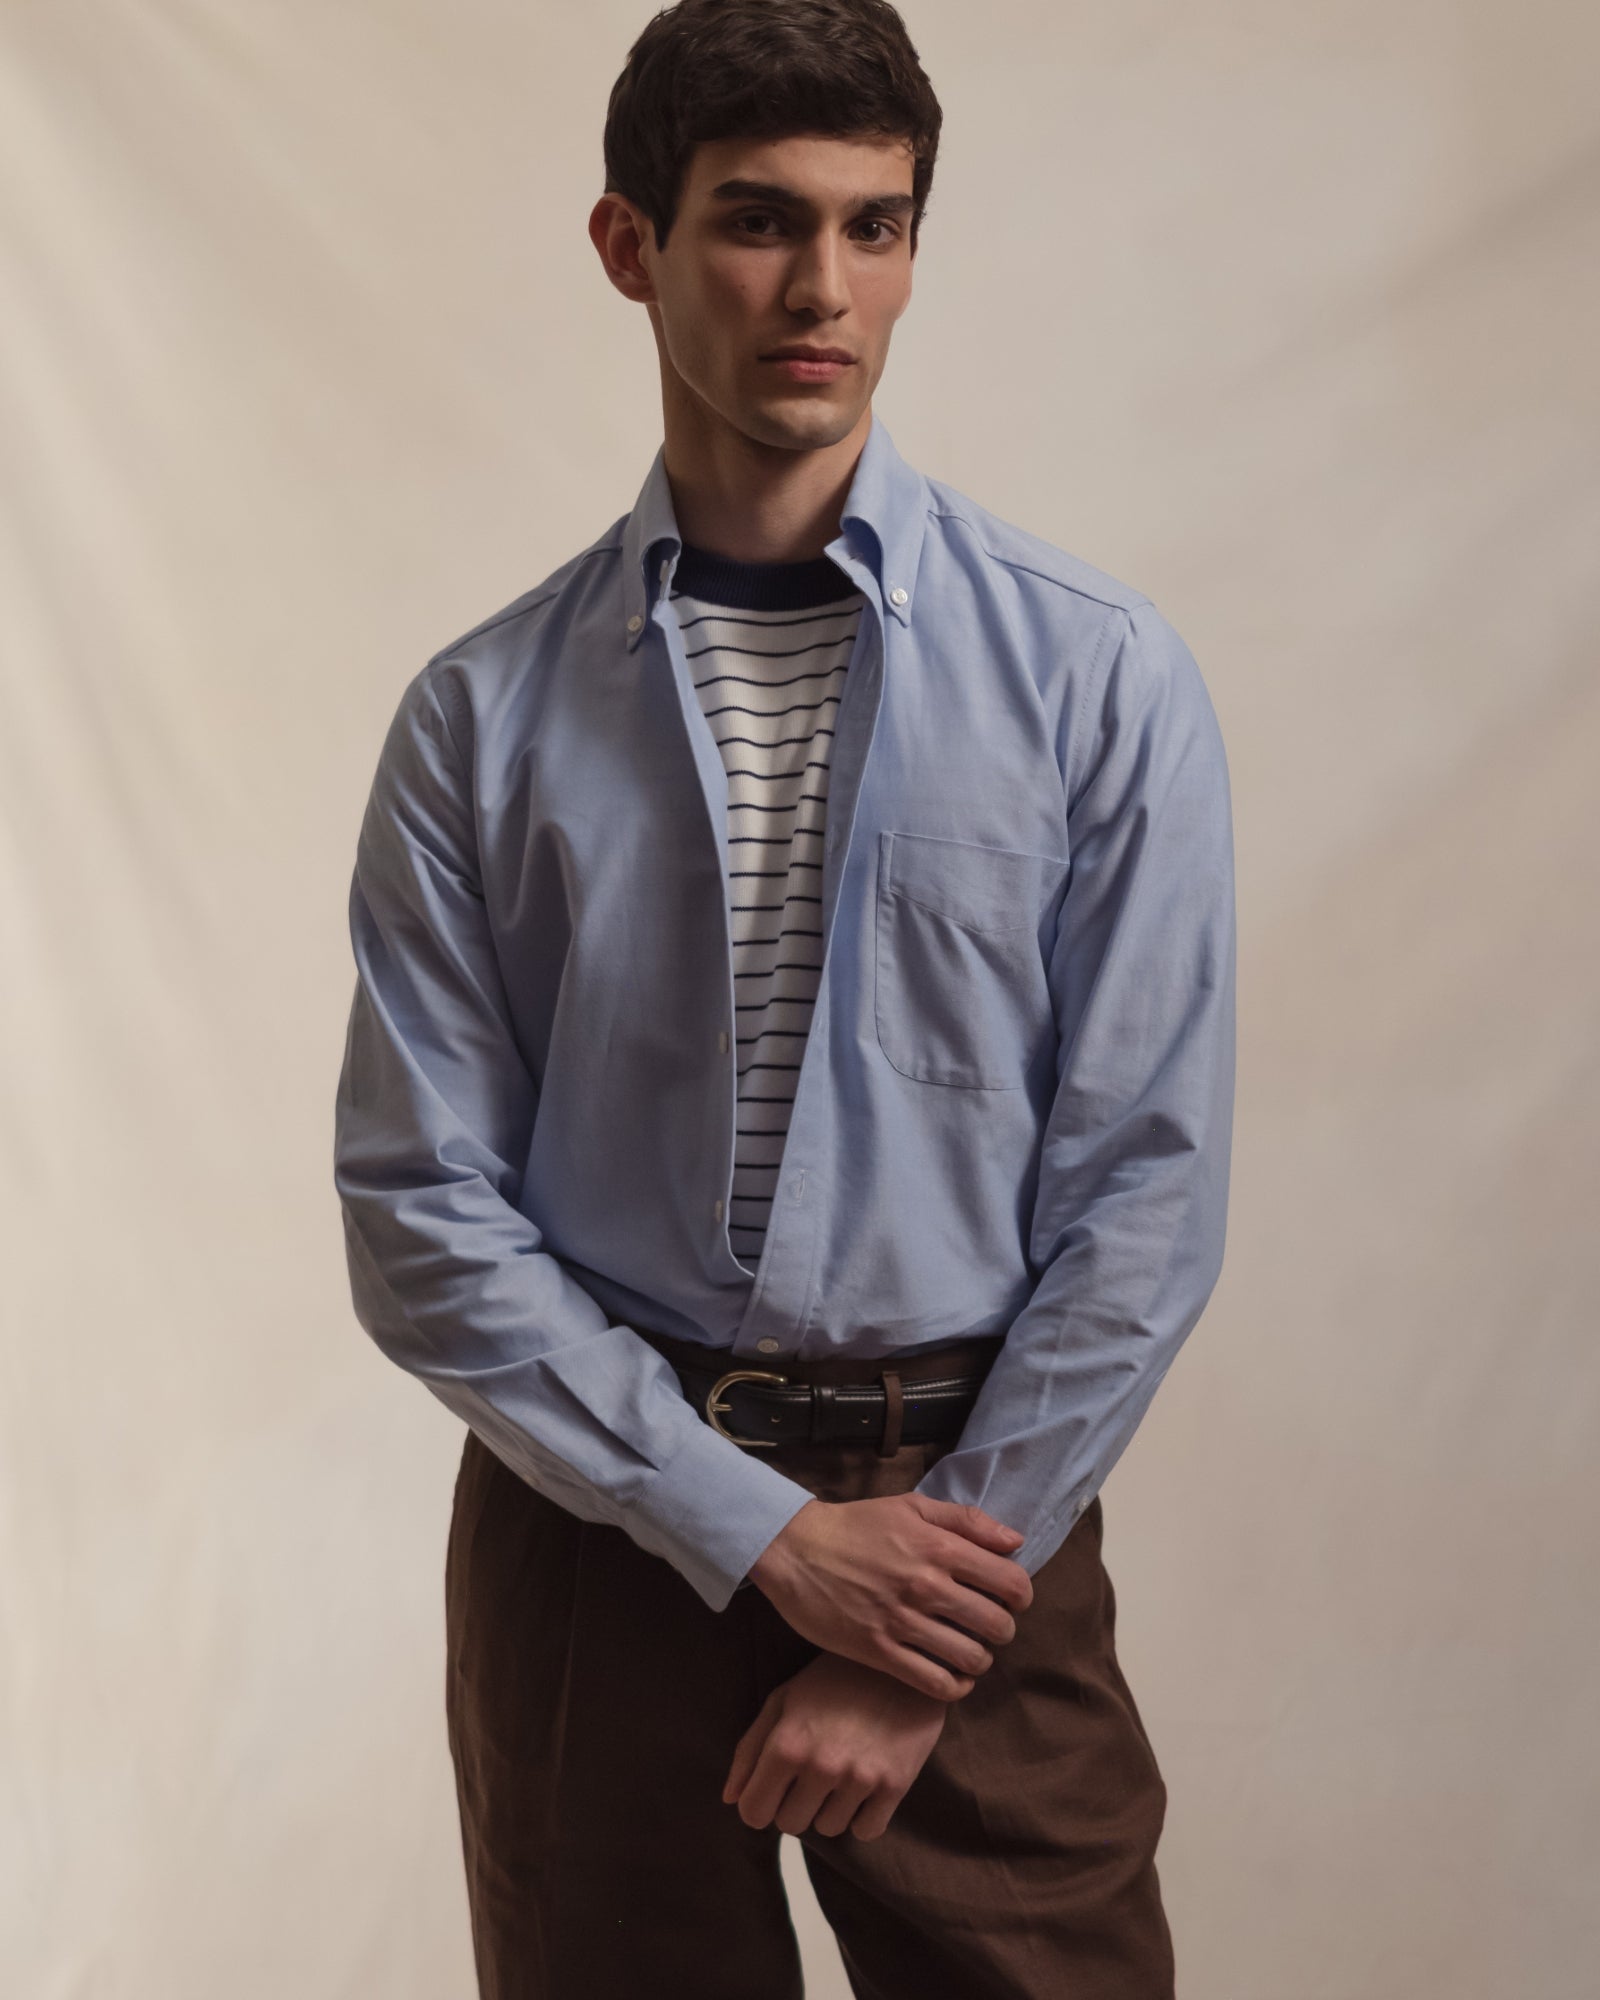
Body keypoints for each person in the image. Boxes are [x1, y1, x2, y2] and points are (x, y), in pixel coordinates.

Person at [332, 1, 1236, 1993]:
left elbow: (1144, 1192)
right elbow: (416, 1211)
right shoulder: (479, 721)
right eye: (754, 220)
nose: (822, 287)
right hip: (594, 1538)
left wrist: (916, 1619)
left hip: (968, 1528)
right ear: (627, 245)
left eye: (875, 224)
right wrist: (743, 1527)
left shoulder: (1094, 678)